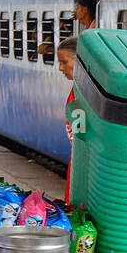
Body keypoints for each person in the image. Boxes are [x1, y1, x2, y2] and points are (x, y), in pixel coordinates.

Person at [55, 35, 78, 205]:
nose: (61, 68)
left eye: (64, 62)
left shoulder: (84, 92)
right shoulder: (78, 88)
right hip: (78, 155)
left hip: (83, 158)